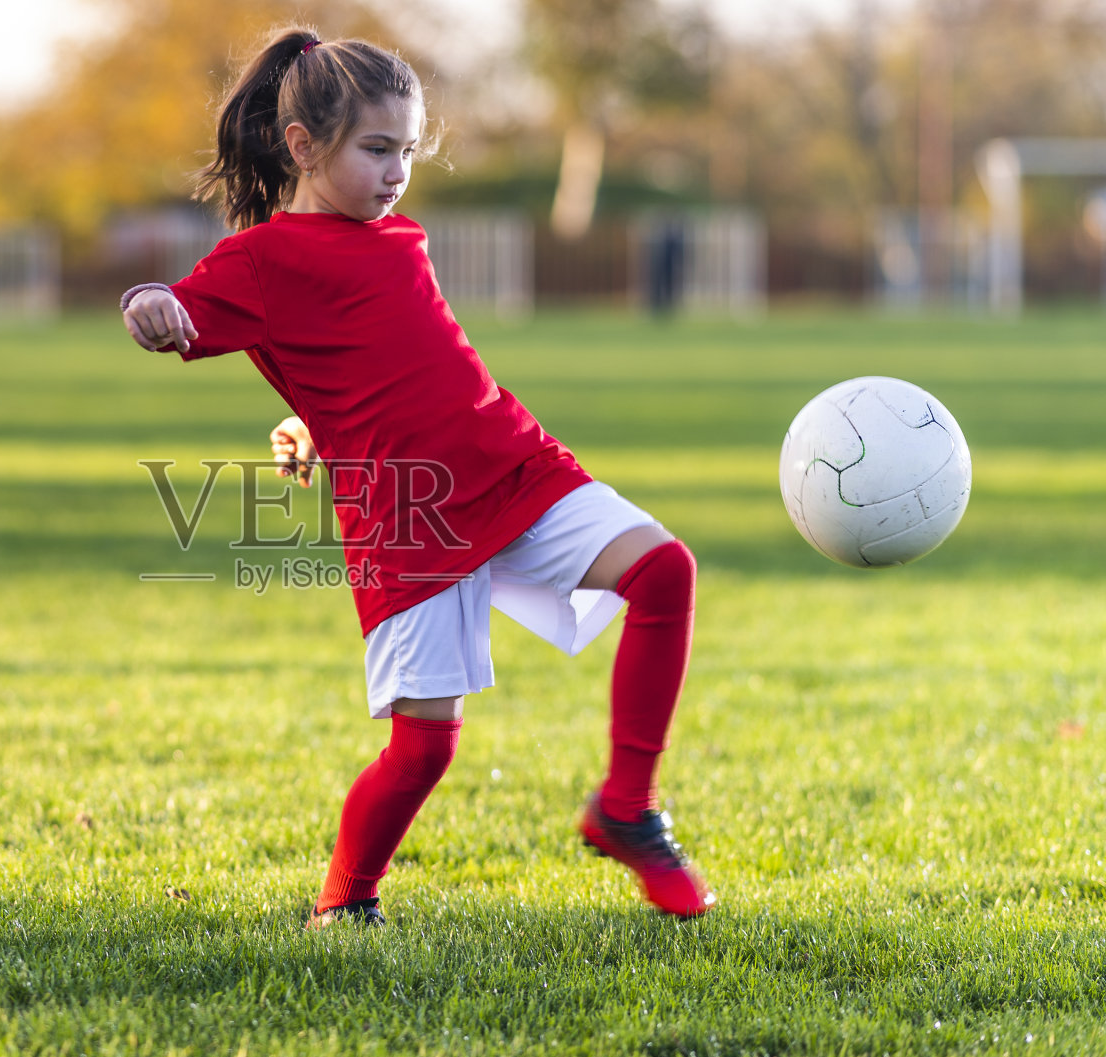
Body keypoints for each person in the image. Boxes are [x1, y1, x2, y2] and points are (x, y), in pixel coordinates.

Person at [121, 27, 715, 926]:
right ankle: (345, 900)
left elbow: (381, 358)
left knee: (664, 568)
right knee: (425, 747)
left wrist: (311, 417)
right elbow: (177, 308)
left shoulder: (401, 237)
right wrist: (149, 304)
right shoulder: (260, 261)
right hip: (411, 519)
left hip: (510, 462)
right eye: (376, 149)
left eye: (407, 150)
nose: (397, 170)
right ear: (302, 146)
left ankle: (627, 806)